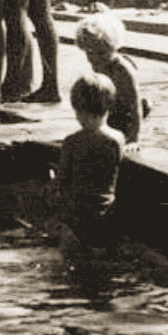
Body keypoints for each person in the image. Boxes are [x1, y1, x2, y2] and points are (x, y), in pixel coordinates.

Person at [51, 72, 127, 252]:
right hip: (105, 216)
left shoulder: (72, 142)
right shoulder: (118, 139)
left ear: (78, 111)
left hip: (76, 216)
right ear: (109, 108)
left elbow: (62, 181)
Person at [73, 12, 147, 146]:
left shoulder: (123, 70)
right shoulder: (99, 63)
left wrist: (134, 140)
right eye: (89, 52)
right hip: (110, 110)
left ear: (113, 47)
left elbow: (135, 106)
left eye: (101, 53)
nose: (95, 58)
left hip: (125, 113)